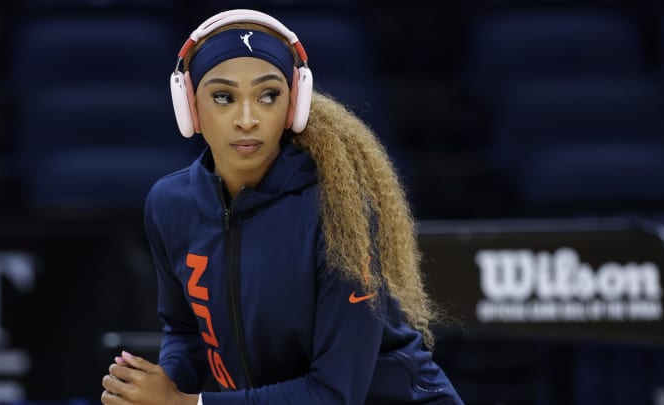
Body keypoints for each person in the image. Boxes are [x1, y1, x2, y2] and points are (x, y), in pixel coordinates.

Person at [101, 8, 463, 405]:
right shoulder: (169, 204)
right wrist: (157, 387)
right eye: (223, 97)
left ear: (294, 106)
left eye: (268, 95)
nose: (247, 119)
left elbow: (333, 394)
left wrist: (186, 403)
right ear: (190, 106)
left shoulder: (339, 212)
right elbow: (186, 331)